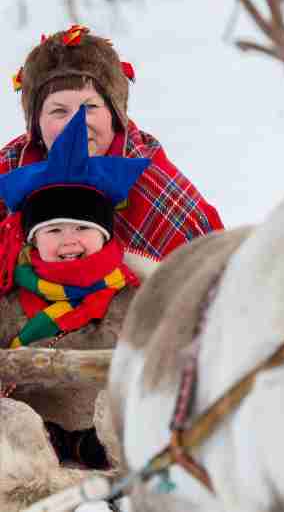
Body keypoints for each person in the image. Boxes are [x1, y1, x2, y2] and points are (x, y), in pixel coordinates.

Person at [0, 105, 149, 473]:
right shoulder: (10, 301)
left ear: (103, 235)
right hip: (24, 455)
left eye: (82, 229)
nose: (69, 241)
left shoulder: (131, 299)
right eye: (54, 231)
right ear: (35, 241)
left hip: (112, 453)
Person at [1, 24, 223, 264]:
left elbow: (210, 276)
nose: (76, 124)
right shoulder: (12, 168)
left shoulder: (151, 184)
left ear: (115, 115)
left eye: (90, 107)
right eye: (58, 110)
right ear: (36, 124)